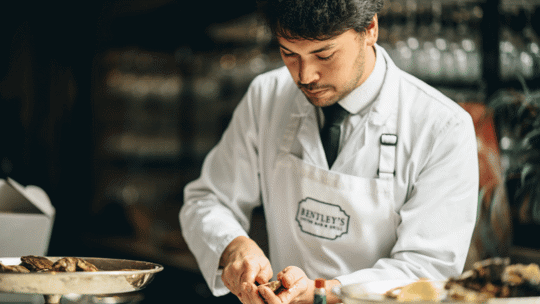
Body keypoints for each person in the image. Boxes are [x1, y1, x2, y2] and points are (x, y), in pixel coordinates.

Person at [180, 0, 479, 303]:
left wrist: (323, 293)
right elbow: (208, 199)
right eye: (289, 53)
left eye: (324, 54)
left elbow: (426, 269)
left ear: (370, 29)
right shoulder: (267, 96)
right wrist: (234, 247)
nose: (306, 75)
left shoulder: (443, 127)